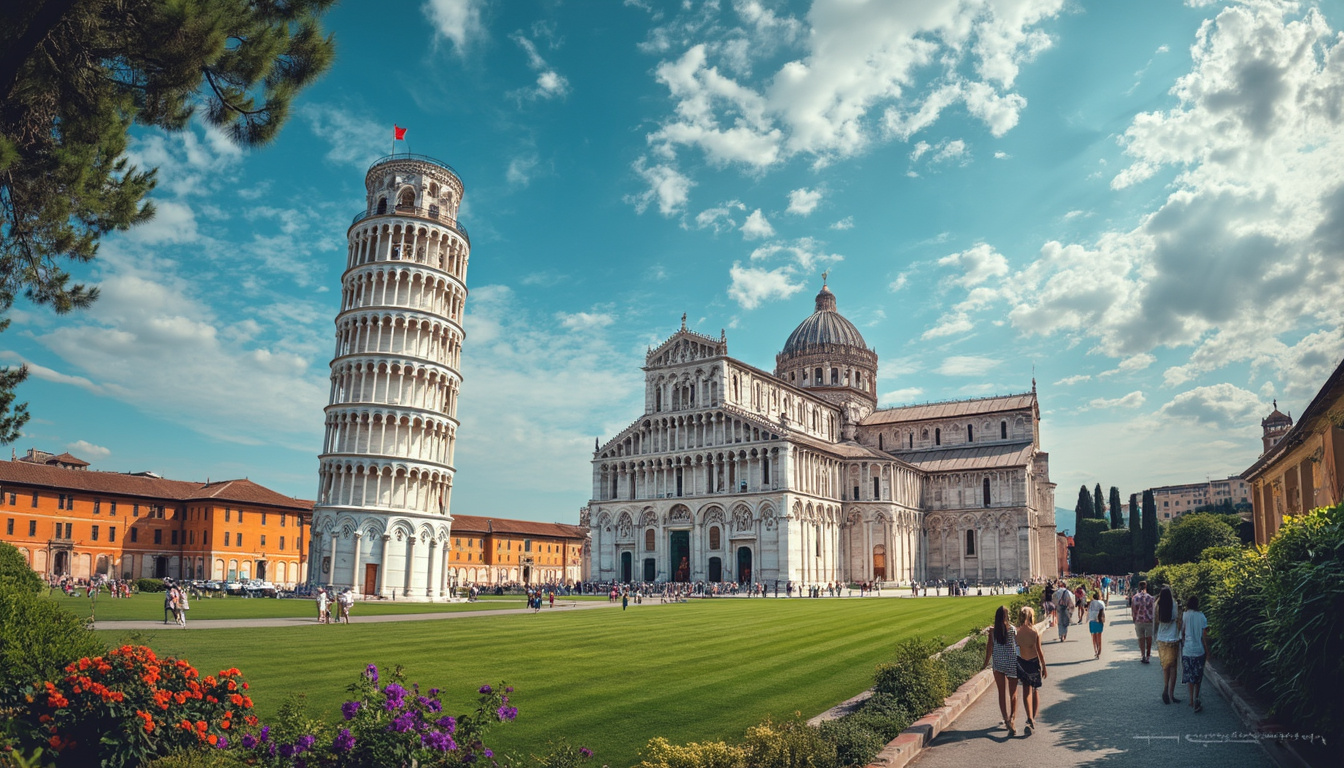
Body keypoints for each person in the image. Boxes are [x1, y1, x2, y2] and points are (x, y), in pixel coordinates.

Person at [981, 605, 1020, 736]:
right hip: (1011, 663)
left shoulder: (993, 632)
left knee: (1001, 693)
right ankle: (1012, 718)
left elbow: (989, 648)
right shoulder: (1012, 630)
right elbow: (1018, 645)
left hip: (998, 663)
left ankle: (1005, 718)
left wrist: (985, 663)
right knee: (1013, 693)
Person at [1015, 606, 1047, 729]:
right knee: (1035, 690)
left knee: (1026, 690)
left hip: (1022, 662)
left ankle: (1029, 717)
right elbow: (1039, 651)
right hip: (1033, 662)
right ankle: (1033, 717)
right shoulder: (1034, 632)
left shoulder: (1017, 632)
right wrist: (1044, 666)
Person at [1154, 585, 1183, 704]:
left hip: (1161, 638)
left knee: (1165, 666)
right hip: (1173, 638)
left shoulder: (1157, 604)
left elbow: (1156, 620)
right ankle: (1171, 694)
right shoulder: (1174, 604)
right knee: (1173, 668)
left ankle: (1165, 687)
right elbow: (1177, 618)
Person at [1181, 595, 1209, 713]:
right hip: (1199, 650)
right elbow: (1204, 635)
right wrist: (1207, 650)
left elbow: (1182, 632)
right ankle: (1197, 697)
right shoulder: (1202, 616)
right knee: (1198, 676)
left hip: (1187, 650)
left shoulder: (1185, 615)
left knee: (1190, 676)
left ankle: (1191, 700)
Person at [1130, 580, 1156, 663]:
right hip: (1149, 620)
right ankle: (1148, 656)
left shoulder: (1135, 597)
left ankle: (1142, 655)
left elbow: (1133, 610)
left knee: (1141, 638)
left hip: (1139, 620)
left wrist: (1134, 618)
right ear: (1146, 586)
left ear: (1139, 586)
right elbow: (1153, 610)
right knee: (1149, 638)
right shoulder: (1151, 598)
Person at [1087, 590, 1106, 659]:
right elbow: (1103, 611)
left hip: (1092, 621)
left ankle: (1095, 650)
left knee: (1093, 636)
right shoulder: (1101, 603)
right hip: (1099, 620)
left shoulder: (1091, 603)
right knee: (1099, 636)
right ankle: (1099, 650)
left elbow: (1088, 611)